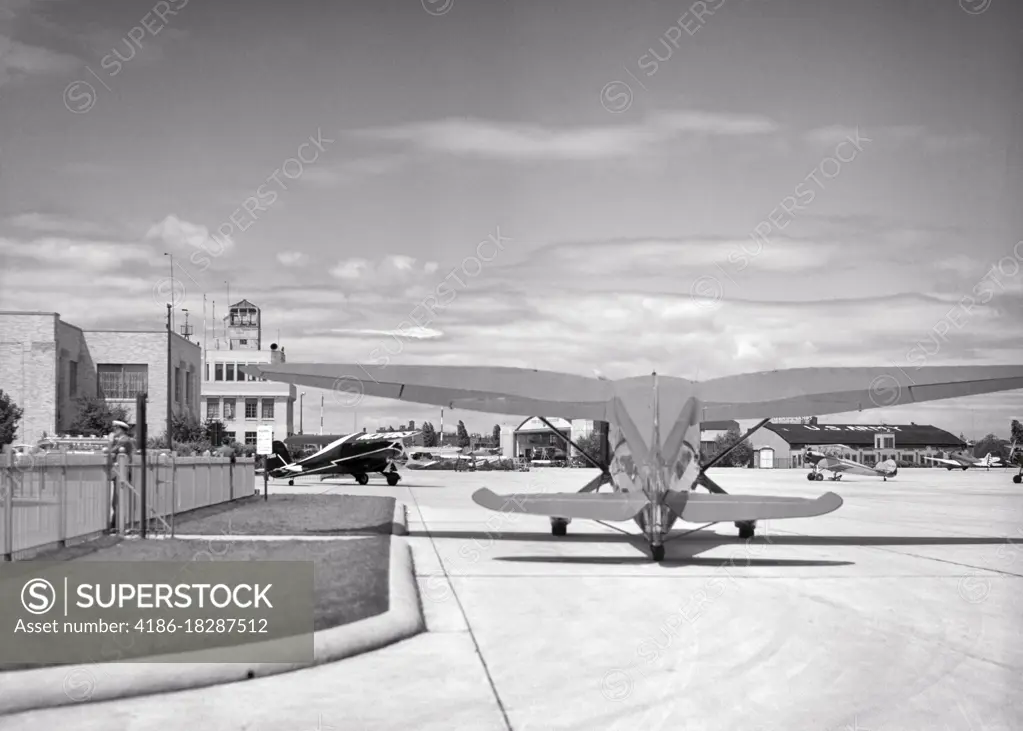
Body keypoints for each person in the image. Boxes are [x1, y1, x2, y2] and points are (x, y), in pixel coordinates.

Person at [105, 420, 136, 530]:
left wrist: (109, 441)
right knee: (116, 500)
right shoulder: (122, 440)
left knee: (117, 500)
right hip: (119, 472)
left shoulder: (124, 441)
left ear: (120, 429)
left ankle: (117, 525)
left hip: (122, 473)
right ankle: (116, 524)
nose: (113, 431)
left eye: (115, 429)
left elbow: (109, 452)